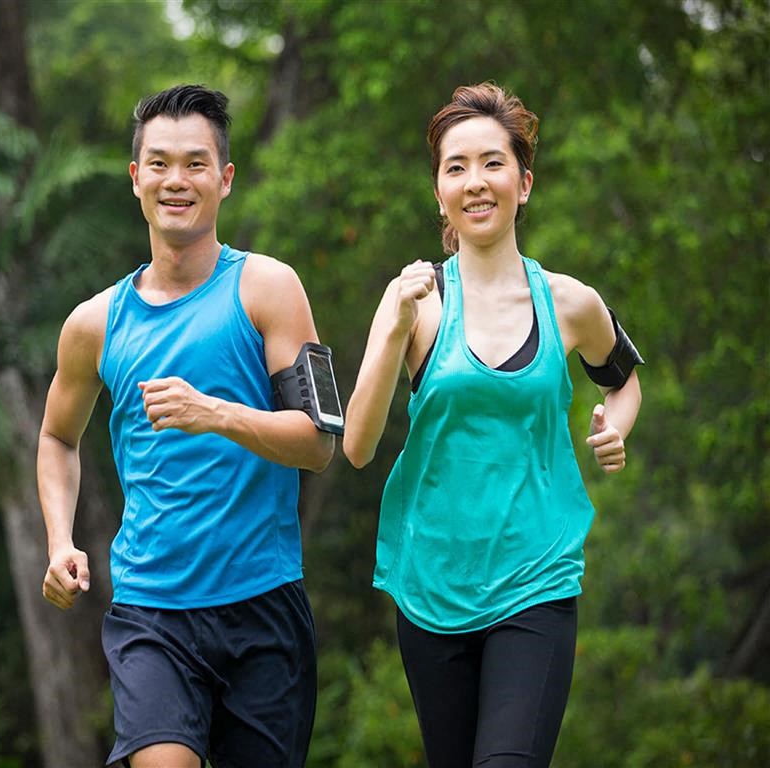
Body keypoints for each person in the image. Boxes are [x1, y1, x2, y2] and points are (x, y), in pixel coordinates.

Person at [343, 82, 643, 767]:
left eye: (493, 162)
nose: (475, 182)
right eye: (456, 167)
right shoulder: (414, 307)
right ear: (439, 192)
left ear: (524, 182)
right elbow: (357, 446)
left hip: (536, 579)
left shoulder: (569, 303)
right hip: (431, 588)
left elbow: (623, 379)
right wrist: (391, 331)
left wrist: (615, 427)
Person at [36, 84, 335, 768]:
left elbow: (321, 442)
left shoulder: (270, 289)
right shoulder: (94, 324)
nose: (178, 180)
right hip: (153, 611)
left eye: (196, 164)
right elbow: (57, 437)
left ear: (224, 179)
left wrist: (217, 414)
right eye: (161, 163)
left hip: (264, 607)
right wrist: (59, 540)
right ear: (136, 176)